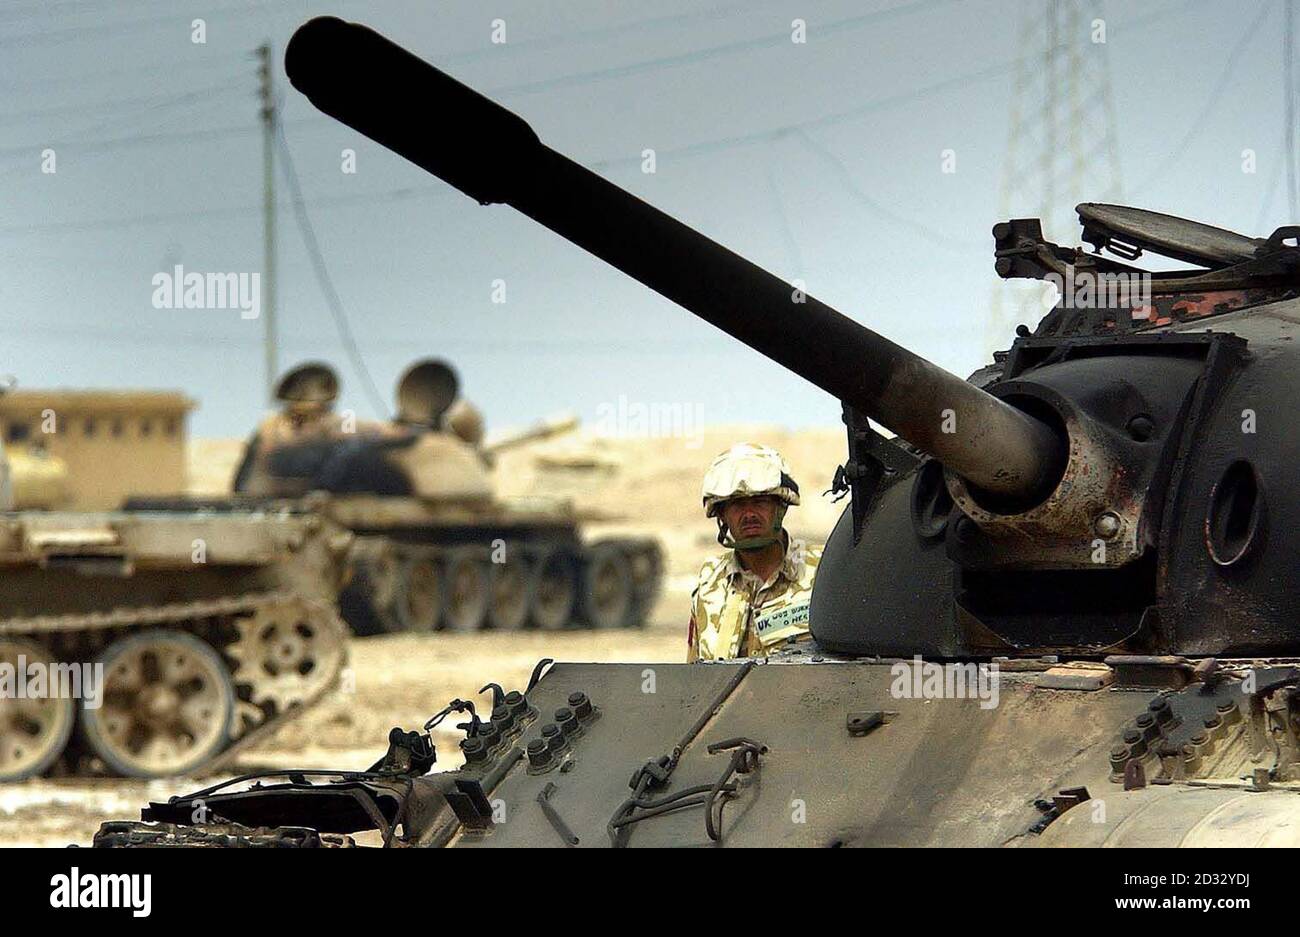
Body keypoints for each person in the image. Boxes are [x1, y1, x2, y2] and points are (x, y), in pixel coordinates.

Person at [687, 443, 821, 661]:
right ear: (722, 515)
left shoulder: (823, 573)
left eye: (760, 502)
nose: (749, 514)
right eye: (738, 504)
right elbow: (694, 677)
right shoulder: (709, 583)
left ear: (781, 507)